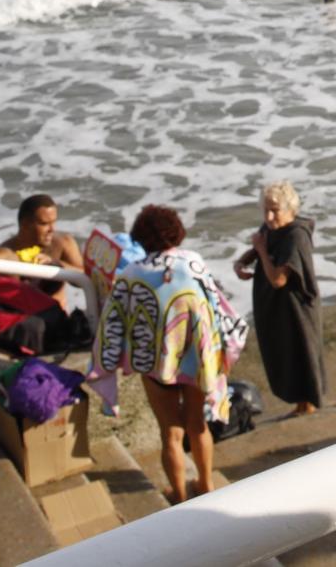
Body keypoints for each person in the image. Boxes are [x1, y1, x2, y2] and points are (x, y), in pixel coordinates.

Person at [96, 204, 249, 504]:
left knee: (170, 434)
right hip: (196, 362)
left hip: (156, 366)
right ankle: (205, 485)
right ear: (176, 232)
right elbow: (216, 307)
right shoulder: (193, 263)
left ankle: (178, 495)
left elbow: (113, 322)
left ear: (141, 237)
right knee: (198, 425)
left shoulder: (130, 274)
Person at [234, 180, 325, 419]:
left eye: (275, 210)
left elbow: (278, 279)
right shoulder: (272, 228)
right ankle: (300, 405)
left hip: (296, 308)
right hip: (277, 308)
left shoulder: (296, 236)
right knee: (283, 355)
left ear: (290, 210)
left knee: (300, 354)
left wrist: (261, 251)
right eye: (265, 210)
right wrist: (242, 262)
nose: (269, 216)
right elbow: (260, 243)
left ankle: (308, 407)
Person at [0, 193, 85, 310]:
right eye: (44, 224)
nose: (52, 229)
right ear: (25, 224)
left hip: (55, 320)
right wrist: (11, 279)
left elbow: (87, 279)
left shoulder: (62, 243)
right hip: (17, 321)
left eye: (54, 222)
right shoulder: (3, 254)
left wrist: (58, 265)